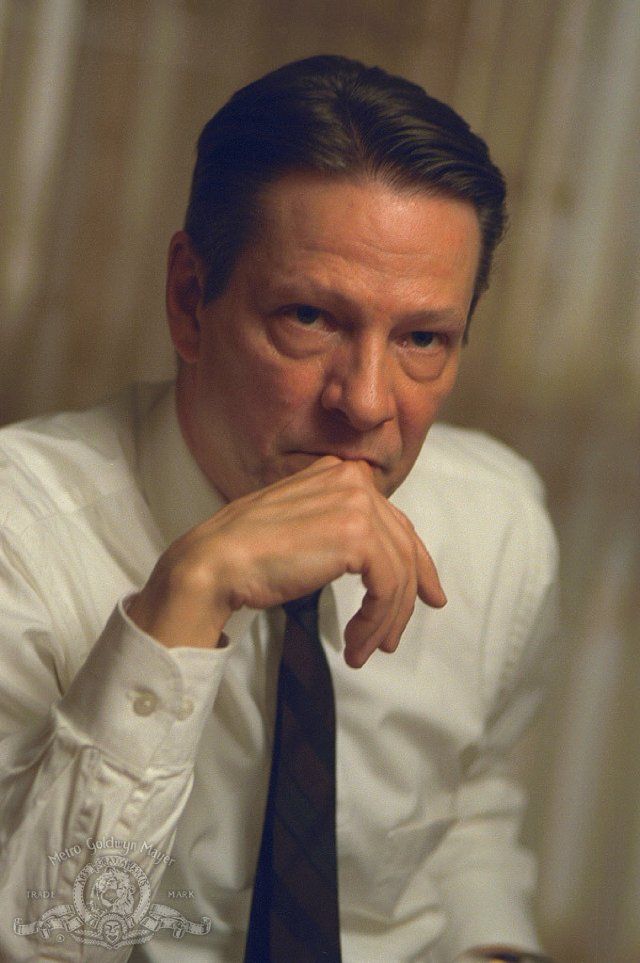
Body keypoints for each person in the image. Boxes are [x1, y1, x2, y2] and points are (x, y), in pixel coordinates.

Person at [0, 56, 558, 962]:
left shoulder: (500, 523)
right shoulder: (18, 533)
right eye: (308, 317)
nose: (368, 401)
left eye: (422, 336)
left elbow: (470, 810)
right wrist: (184, 599)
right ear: (190, 299)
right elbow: (46, 943)